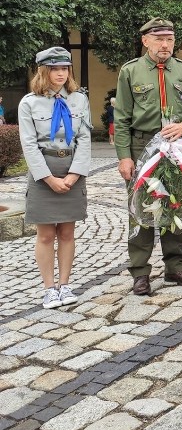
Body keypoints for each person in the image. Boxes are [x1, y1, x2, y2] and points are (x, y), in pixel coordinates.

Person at [114, 18, 182, 296]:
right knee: (140, 209)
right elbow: (121, 119)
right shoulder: (130, 72)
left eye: (170, 40)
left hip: (175, 147)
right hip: (142, 147)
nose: (165, 45)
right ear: (146, 41)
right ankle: (140, 272)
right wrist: (124, 157)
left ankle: (175, 267)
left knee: (174, 206)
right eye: (159, 40)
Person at [18, 47, 91, 308]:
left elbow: (84, 138)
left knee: (68, 232)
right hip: (43, 171)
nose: (60, 73)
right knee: (46, 235)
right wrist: (48, 178)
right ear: (43, 71)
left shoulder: (79, 100)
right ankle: (49, 289)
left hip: (71, 167)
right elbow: (28, 144)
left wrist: (73, 175)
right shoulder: (29, 102)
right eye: (54, 69)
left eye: (64, 68)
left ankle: (65, 284)